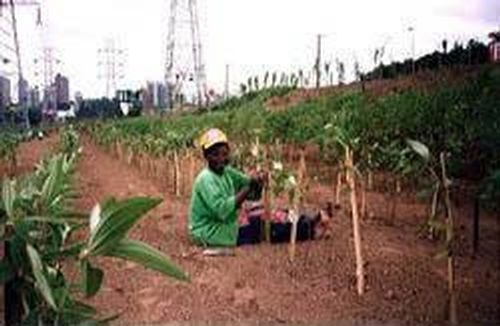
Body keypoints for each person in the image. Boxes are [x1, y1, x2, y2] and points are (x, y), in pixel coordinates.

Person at [188, 128, 324, 249]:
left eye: (224, 154)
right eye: (215, 155)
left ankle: (306, 220)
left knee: (267, 211)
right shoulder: (206, 179)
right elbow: (222, 210)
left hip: (226, 221)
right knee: (260, 227)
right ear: (206, 156)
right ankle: (311, 230)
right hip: (209, 231)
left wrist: (258, 182)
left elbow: (252, 190)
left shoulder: (227, 172)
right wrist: (249, 188)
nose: (220, 159)